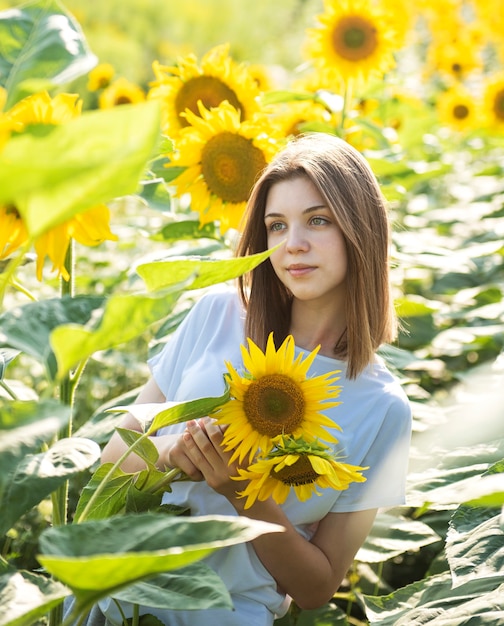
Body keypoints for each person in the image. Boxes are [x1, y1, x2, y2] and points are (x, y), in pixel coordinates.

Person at [99, 132, 412, 626]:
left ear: (362, 230)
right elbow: (111, 456)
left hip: (224, 614)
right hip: (119, 591)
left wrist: (247, 498)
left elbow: (316, 587)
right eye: (276, 225)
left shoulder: (383, 406)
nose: (294, 245)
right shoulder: (216, 315)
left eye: (318, 220)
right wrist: (169, 455)